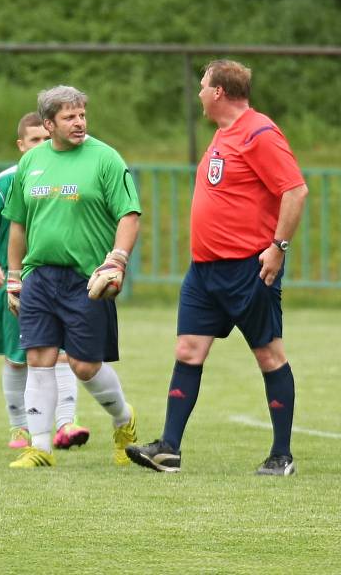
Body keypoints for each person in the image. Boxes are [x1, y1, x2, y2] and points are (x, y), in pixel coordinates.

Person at [126, 59, 308, 476]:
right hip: (204, 272)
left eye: (203, 86)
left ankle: (282, 456)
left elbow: (295, 191)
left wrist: (278, 248)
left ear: (219, 92)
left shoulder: (260, 132)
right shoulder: (223, 135)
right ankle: (169, 448)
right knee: (188, 351)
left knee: (269, 355)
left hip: (248, 268)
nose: (200, 94)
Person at [1, 85, 141, 469]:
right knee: (39, 358)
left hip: (87, 279)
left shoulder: (106, 159)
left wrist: (117, 260)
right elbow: (16, 223)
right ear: (49, 124)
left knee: (83, 366)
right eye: (69, 117)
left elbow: (129, 214)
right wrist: (15, 277)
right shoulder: (31, 163)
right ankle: (42, 448)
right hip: (40, 276)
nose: (79, 122)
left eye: (82, 115)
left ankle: (123, 419)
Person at [0, 111, 90, 451]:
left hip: (62, 281)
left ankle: (67, 422)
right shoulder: (7, 180)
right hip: (18, 283)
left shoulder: (67, 175)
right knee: (17, 356)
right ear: (21, 145)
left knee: (65, 353)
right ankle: (19, 427)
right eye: (33, 140)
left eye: (44, 138)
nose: (41, 145)